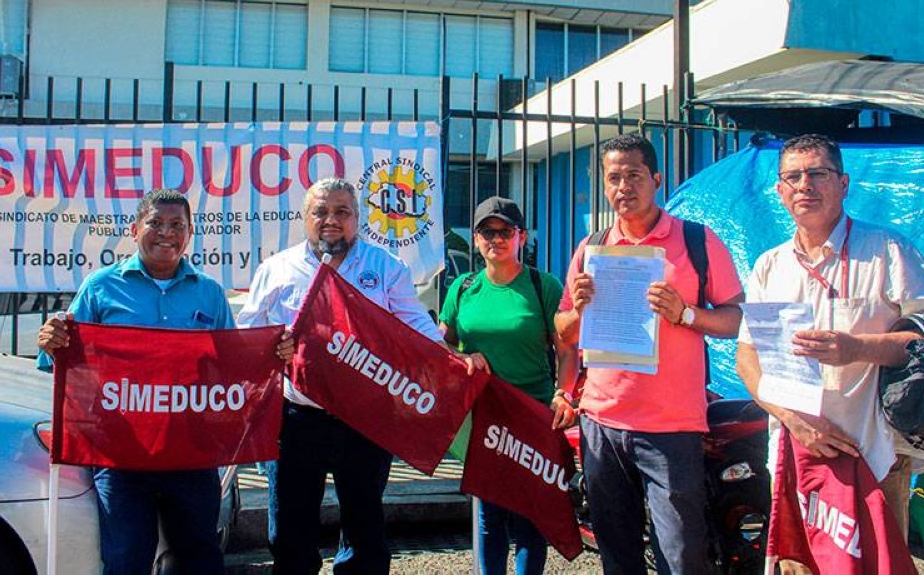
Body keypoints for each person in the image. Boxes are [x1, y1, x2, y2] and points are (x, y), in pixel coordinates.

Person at [734, 134, 924, 572]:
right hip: (796, 453)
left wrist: (858, 348)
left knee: (877, 565)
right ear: (780, 191)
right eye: (793, 177)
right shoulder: (770, 265)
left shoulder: (885, 250)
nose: (805, 185)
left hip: (876, 455)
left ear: (843, 184)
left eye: (818, 173)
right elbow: (748, 359)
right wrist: (795, 421)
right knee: (800, 566)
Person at [36, 189, 294, 574]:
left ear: (189, 234)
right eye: (155, 223)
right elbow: (63, 362)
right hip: (120, 454)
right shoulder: (100, 287)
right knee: (126, 560)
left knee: (199, 559)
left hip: (191, 452)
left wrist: (272, 354)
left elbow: (232, 368)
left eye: (177, 225)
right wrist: (52, 340)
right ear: (134, 229)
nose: (166, 233)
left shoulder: (208, 292)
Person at [237, 177, 478, 575]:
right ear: (305, 218)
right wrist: (272, 343)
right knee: (291, 531)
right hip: (296, 419)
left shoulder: (386, 267)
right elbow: (248, 333)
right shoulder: (277, 269)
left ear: (357, 219)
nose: (331, 220)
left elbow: (417, 328)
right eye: (321, 211)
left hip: (366, 420)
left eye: (342, 212)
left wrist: (454, 359)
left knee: (364, 530)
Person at [555, 134, 745, 574]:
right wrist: (579, 310)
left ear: (657, 179)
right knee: (617, 556)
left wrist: (686, 314)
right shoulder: (591, 248)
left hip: (671, 427)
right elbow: (563, 332)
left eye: (634, 175)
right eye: (613, 178)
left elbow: (736, 319)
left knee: (680, 556)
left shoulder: (696, 241)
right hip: (602, 423)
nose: (624, 186)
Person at [438, 196, 577, 575]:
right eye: (487, 231)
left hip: (534, 416)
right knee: (490, 515)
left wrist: (563, 394)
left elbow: (567, 350)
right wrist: (463, 357)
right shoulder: (463, 287)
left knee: (531, 518)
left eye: (505, 232)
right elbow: (440, 344)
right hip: (484, 418)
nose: (496, 239)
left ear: (522, 237)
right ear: (476, 238)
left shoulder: (543, 285)